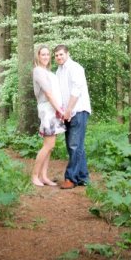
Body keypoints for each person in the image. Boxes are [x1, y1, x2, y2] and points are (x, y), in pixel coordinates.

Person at [54, 43, 91, 189]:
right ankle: (83, 177)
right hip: (67, 113)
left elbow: (77, 90)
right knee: (75, 146)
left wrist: (69, 110)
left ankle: (71, 178)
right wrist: (62, 112)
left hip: (78, 110)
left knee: (74, 145)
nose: (58, 57)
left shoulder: (75, 68)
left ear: (67, 54)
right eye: (56, 55)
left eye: (61, 54)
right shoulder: (59, 71)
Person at [31, 44, 66, 187]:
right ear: (38, 56)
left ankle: (44, 176)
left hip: (54, 110)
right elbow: (48, 93)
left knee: (50, 146)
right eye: (42, 54)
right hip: (48, 110)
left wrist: (58, 108)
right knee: (47, 145)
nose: (45, 57)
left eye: (47, 54)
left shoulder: (49, 72)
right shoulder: (38, 71)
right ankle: (34, 176)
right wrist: (60, 110)